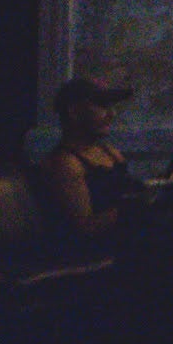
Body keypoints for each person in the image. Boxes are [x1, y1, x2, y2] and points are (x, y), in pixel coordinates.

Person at [31, 76, 137, 244]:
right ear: (74, 112)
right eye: (102, 106)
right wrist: (135, 207)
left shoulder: (110, 152)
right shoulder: (65, 164)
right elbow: (85, 228)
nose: (111, 114)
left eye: (111, 106)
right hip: (93, 254)